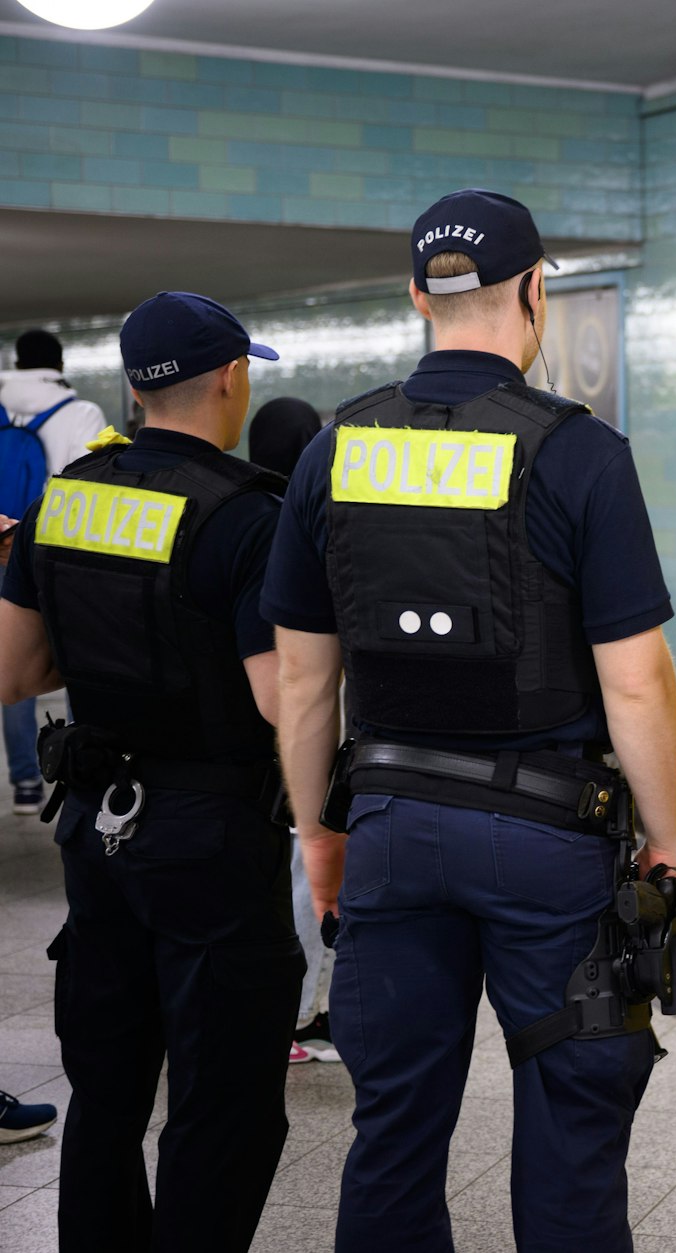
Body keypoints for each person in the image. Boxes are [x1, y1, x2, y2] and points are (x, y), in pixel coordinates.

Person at [264, 188, 676, 1252]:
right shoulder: (580, 452)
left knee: (393, 1130)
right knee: (571, 1131)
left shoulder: (334, 449)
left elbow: (306, 680)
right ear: (536, 290)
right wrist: (668, 842)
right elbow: (635, 680)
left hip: (394, 831)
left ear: (417, 295)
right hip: (547, 843)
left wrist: (320, 829)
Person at [0, 293, 302, 1251]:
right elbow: (277, 701)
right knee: (223, 1104)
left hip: (96, 824)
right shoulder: (249, 515)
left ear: (134, 388)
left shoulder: (67, 495)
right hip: (211, 837)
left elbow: (15, 670)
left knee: (108, 1088)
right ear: (231, 377)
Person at [245, 395, 343, 1066]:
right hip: (293, 739)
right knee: (306, 878)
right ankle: (298, 1015)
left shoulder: (238, 512)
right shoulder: (300, 526)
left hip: (236, 750)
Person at [0, 329, 111, 815]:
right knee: (51, 658)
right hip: (44, 551)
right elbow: (89, 491)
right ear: (60, 362)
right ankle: (51, 772)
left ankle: (25, 778)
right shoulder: (81, 413)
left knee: (7, 660)